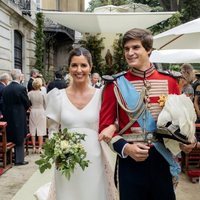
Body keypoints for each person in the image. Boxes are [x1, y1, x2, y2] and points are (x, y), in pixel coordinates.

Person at [99, 28, 196, 200]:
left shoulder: (170, 81)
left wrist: (186, 141)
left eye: (135, 47)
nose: (130, 53)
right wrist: (126, 148)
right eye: (126, 49)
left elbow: (180, 121)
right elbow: (105, 127)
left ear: (149, 49)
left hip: (162, 160)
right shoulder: (114, 85)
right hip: (130, 163)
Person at [43, 47, 118, 200]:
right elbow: (52, 131)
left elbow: (116, 120)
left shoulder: (101, 95)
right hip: (66, 162)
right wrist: (58, 151)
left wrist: (113, 127)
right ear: (69, 68)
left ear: (90, 67)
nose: (79, 70)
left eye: (83, 65)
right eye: (74, 65)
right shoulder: (57, 96)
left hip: (95, 159)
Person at [2, 69, 31, 165]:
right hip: (19, 115)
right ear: (19, 76)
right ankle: (19, 159)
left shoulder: (6, 88)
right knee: (19, 137)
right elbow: (26, 102)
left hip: (8, 115)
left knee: (10, 135)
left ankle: (9, 158)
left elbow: (3, 102)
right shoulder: (21, 88)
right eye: (22, 74)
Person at [28, 78, 47, 154]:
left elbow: (27, 103)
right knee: (40, 130)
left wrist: (29, 108)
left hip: (33, 111)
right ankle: (39, 147)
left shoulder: (29, 93)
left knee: (32, 129)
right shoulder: (43, 94)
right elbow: (46, 104)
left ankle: (33, 147)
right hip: (41, 111)